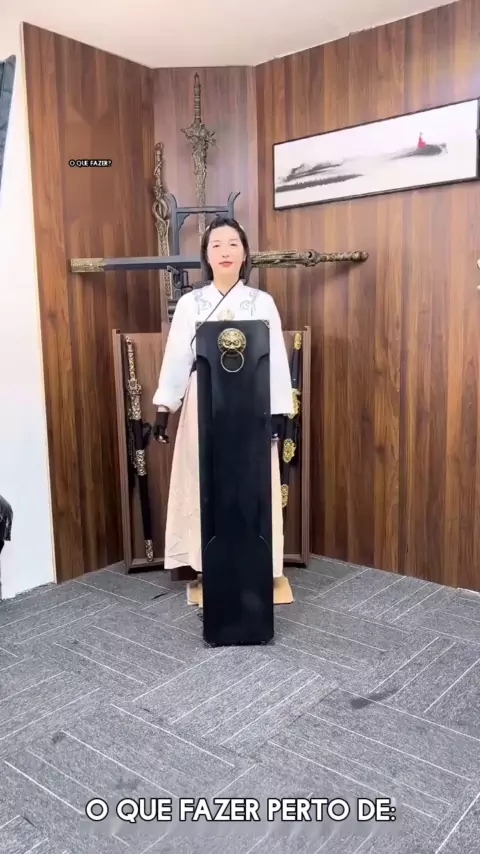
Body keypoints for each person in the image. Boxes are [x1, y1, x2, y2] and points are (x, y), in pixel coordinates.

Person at [152, 216, 294, 590]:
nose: (225, 251)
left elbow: (276, 360)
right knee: (204, 481)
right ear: (206, 255)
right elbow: (177, 357)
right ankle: (205, 563)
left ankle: (255, 562)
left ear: (245, 254)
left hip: (252, 404)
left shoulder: (262, 302)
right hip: (204, 404)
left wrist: (279, 410)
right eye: (216, 245)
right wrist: (164, 407)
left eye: (233, 244)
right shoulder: (191, 304)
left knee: (251, 483)